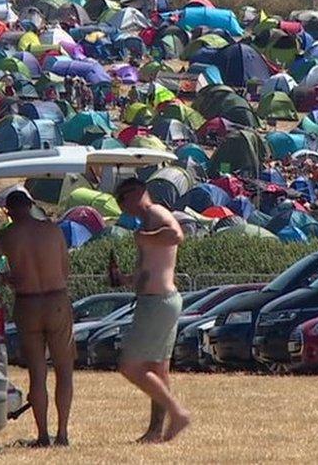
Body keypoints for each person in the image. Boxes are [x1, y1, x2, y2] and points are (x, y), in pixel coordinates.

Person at [0, 191, 74, 447]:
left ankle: (43, 435)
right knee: (64, 371)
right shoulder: (52, 231)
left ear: (9, 211)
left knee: (37, 374)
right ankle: (62, 434)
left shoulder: (6, 236)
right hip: (56, 300)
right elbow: (65, 270)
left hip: (28, 302)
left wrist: (6, 278)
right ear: (31, 206)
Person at [111, 178, 191, 443]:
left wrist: (144, 238)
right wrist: (124, 278)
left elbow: (176, 235)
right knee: (157, 370)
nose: (122, 207)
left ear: (136, 193)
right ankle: (156, 431)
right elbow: (150, 266)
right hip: (158, 299)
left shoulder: (155, 213)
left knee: (130, 366)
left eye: (121, 200)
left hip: (158, 302)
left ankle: (177, 413)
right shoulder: (145, 220)